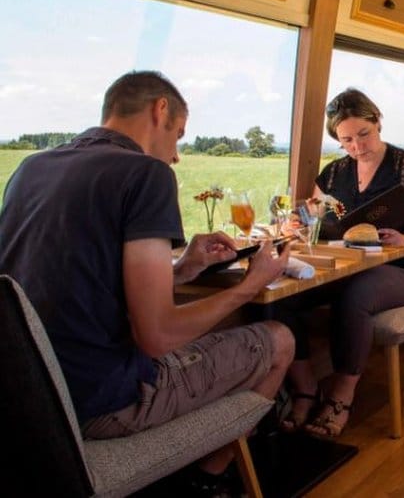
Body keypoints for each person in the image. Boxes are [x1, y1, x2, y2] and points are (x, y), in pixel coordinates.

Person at [0, 70, 295, 493]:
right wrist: (251, 284)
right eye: (178, 135)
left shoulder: (32, 167)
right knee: (280, 339)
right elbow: (157, 336)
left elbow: (82, 282)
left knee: (226, 326)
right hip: (97, 402)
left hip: (28, 393)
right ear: (160, 110)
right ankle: (206, 479)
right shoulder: (146, 174)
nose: (176, 155)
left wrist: (182, 270)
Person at [284, 88, 404, 439]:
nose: (357, 146)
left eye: (364, 134)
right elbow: (313, 217)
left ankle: (341, 395)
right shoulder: (332, 175)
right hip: (342, 268)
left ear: (377, 123)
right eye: (346, 140)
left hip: (399, 271)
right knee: (281, 297)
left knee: (356, 295)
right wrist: (298, 224)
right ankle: (304, 387)